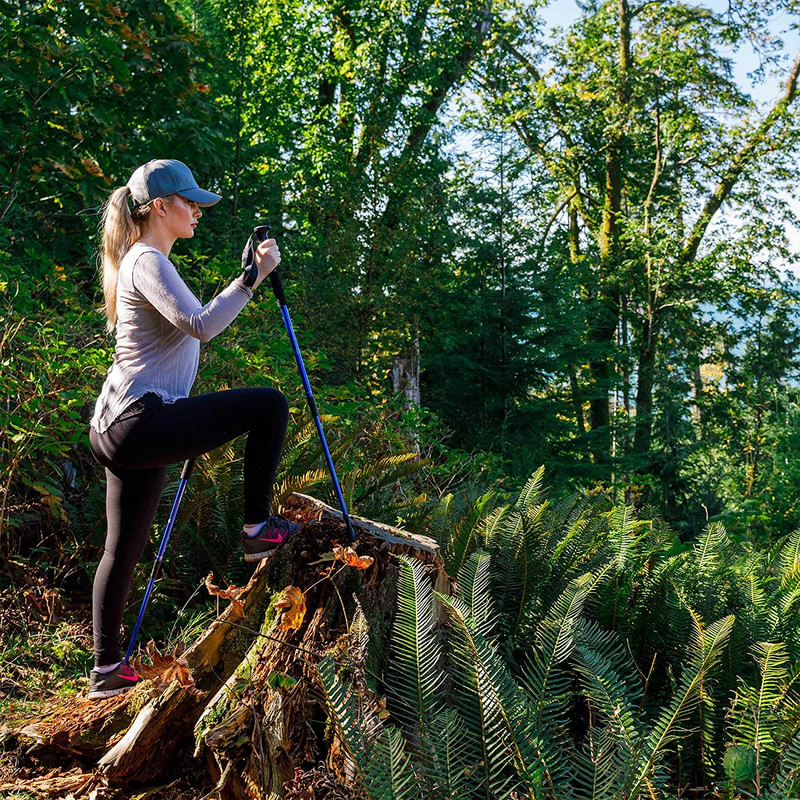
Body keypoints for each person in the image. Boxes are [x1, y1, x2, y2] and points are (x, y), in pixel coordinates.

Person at [86, 159, 299, 700]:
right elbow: (201, 326)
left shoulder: (145, 260)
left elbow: (192, 325)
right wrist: (251, 279)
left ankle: (106, 670)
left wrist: (243, 279)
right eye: (190, 202)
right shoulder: (148, 259)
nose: (199, 210)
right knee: (269, 405)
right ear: (160, 206)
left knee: (124, 547)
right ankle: (256, 530)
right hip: (138, 420)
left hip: (121, 423)